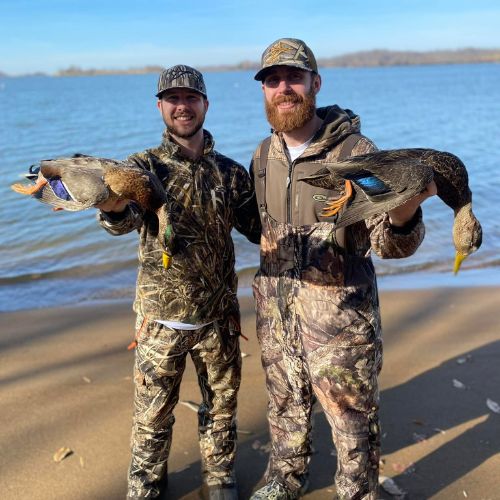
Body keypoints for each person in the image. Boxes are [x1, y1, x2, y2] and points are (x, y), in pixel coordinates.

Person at [249, 38, 436, 499]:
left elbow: (391, 244)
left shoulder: (356, 151)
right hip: (277, 321)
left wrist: (404, 212)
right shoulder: (263, 154)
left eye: (293, 77)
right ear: (264, 91)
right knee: (285, 408)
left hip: (340, 329)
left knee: (353, 429)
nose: (283, 88)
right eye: (272, 80)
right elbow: (259, 227)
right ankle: (284, 480)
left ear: (316, 82)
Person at [97, 65, 261, 499]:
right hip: (161, 321)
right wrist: (113, 207)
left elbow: (259, 228)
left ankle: (220, 476)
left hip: (219, 317)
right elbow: (123, 222)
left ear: (205, 104)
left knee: (222, 407)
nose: (182, 106)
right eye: (173, 99)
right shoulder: (141, 168)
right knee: (152, 415)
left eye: (191, 98)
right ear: (160, 107)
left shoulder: (230, 173)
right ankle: (146, 484)